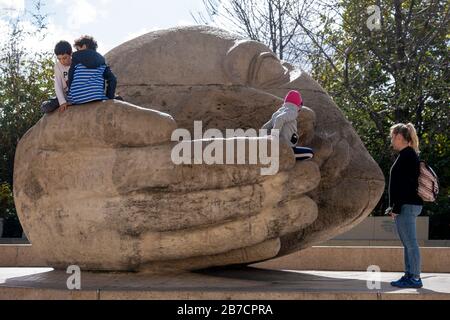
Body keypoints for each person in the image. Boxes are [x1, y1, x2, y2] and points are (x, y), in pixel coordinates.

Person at [387, 123, 424, 289]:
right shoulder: (406, 154)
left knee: (411, 243)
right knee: (408, 243)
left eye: (392, 137)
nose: (391, 140)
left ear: (399, 137)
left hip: (407, 205)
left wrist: (396, 207)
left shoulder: (408, 156)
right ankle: (409, 275)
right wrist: (394, 206)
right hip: (406, 205)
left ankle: (415, 277)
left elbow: (406, 186)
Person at [262, 90, 314, 161]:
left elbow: (264, 128)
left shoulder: (278, 112)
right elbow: (279, 119)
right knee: (310, 153)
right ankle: (287, 156)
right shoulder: (292, 111)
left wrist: (263, 138)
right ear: (298, 105)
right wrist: (274, 137)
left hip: (280, 145)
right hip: (286, 148)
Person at [67, 35, 117, 105]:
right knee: (119, 98)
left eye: (78, 49)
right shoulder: (102, 62)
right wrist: (110, 97)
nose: (77, 51)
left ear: (84, 46)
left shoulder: (76, 59)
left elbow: (70, 77)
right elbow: (112, 79)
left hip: (77, 98)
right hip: (96, 96)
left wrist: (70, 97)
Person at [40, 41, 72, 113]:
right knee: (45, 107)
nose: (62, 61)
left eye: (64, 58)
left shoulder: (76, 63)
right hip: (65, 95)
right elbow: (58, 85)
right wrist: (62, 102)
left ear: (71, 54)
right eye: (59, 59)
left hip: (75, 93)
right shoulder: (57, 66)